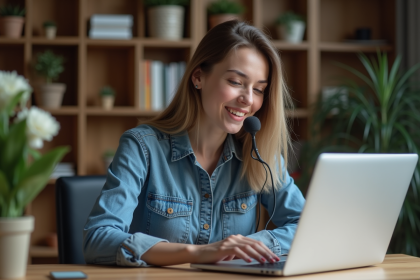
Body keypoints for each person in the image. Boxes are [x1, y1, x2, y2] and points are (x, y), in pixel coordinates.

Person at [83, 20, 305, 267]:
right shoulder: (142, 146)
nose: (248, 100)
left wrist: (254, 245)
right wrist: (197, 253)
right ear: (198, 77)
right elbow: (97, 238)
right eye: (235, 82)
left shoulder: (259, 154)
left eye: (259, 89)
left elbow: (307, 227)